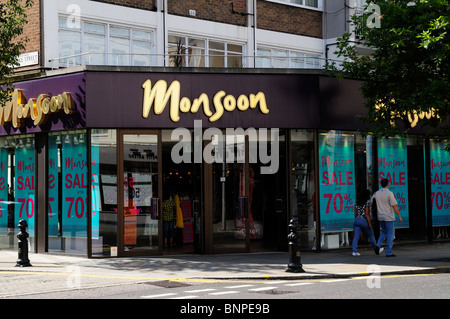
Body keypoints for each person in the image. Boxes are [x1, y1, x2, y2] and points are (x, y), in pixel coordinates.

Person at [372, 178, 403, 257]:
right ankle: (388, 251)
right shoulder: (389, 193)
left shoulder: (376, 193)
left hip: (380, 216)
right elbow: (394, 206)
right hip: (388, 216)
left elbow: (371, 203)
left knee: (384, 232)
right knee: (390, 234)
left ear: (381, 184)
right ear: (388, 184)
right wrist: (399, 216)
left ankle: (378, 245)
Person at [352, 189, 383, 256]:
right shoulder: (366, 203)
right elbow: (367, 214)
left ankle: (354, 251)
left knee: (356, 236)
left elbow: (355, 213)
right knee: (371, 235)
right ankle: (377, 250)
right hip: (364, 220)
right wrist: (369, 223)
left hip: (357, 219)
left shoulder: (356, 203)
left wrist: (356, 220)